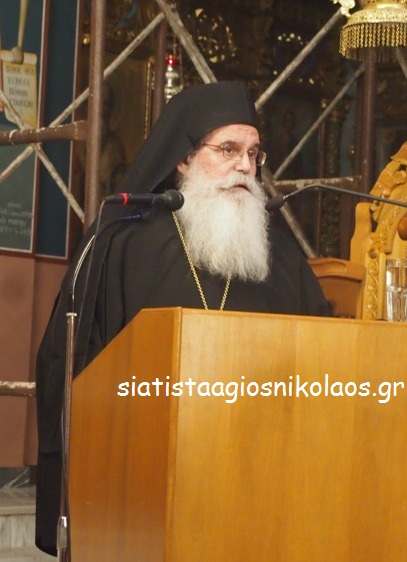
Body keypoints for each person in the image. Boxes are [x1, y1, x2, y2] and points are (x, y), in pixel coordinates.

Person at [34, 81, 331, 555]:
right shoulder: (123, 244)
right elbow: (74, 363)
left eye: (254, 154)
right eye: (228, 150)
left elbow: (321, 360)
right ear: (183, 158)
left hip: (257, 479)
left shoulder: (282, 257)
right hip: (140, 479)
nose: (245, 166)